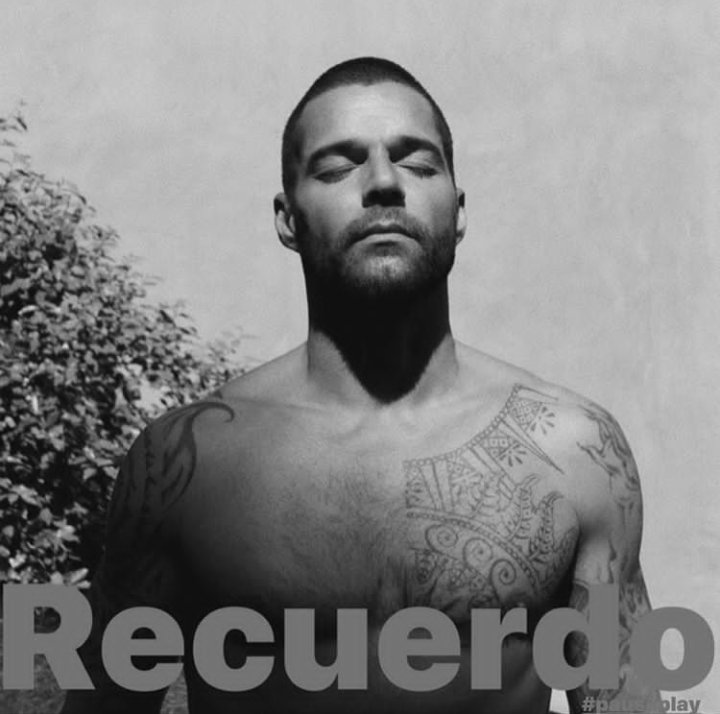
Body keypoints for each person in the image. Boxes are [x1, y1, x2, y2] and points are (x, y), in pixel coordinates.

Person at [61, 57, 662, 714]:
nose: (383, 183)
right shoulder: (185, 468)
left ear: (459, 211)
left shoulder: (574, 455)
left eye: (418, 164)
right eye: (336, 167)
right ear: (287, 219)